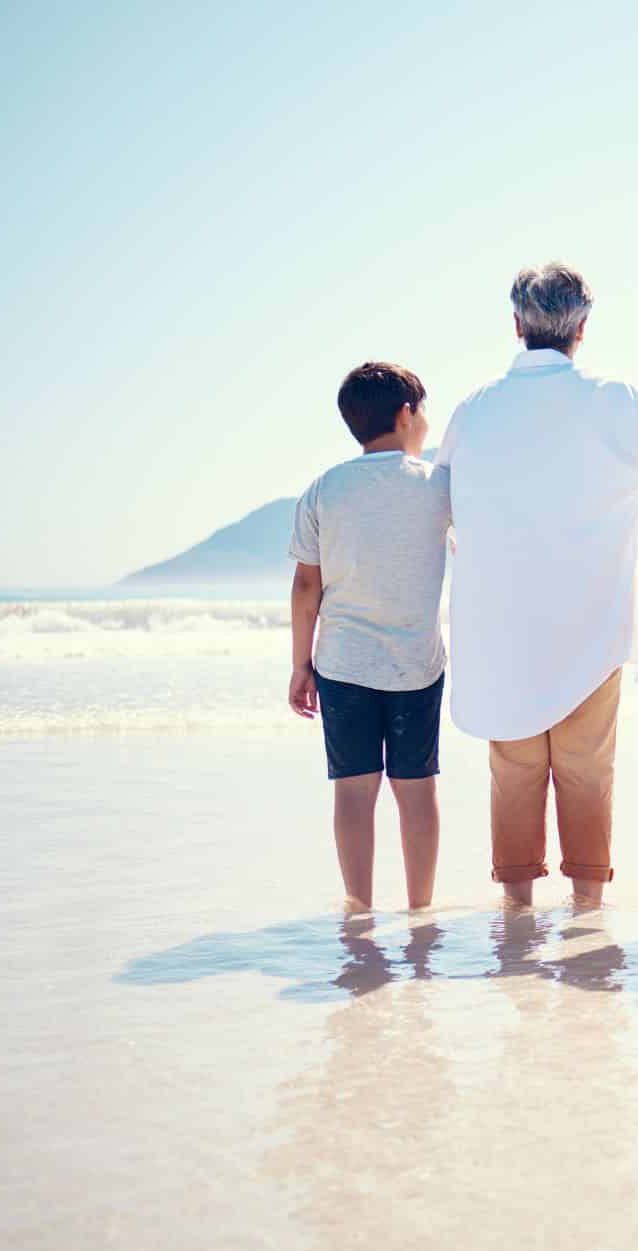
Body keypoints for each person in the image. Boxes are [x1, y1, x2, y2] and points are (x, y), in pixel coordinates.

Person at [437, 262, 638, 909]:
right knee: (586, 768)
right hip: (592, 621)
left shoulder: (474, 410)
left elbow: (440, 504)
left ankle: (517, 911)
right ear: (583, 327)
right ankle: (587, 908)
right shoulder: (612, 400)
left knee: (515, 768)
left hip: (500, 624)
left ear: (516, 325)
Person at [286, 362, 451, 911]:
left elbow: (306, 584)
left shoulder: (325, 488)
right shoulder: (437, 485)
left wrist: (300, 665)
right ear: (406, 415)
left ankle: (359, 908)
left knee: (354, 791)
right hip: (416, 664)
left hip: (342, 664)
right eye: (423, 410)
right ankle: (420, 910)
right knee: (417, 791)